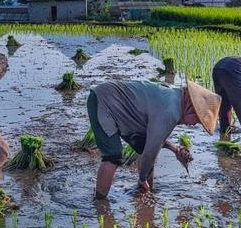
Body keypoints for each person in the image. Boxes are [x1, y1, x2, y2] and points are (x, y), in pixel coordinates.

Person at [88, 78, 221, 200]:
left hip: (118, 105)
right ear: (191, 108)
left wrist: (174, 149)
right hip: (103, 101)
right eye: (197, 120)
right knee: (113, 155)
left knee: (144, 148)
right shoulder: (171, 111)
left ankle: (147, 192)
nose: (193, 124)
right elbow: (151, 150)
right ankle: (99, 203)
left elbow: (154, 138)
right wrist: (142, 178)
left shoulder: (173, 96)